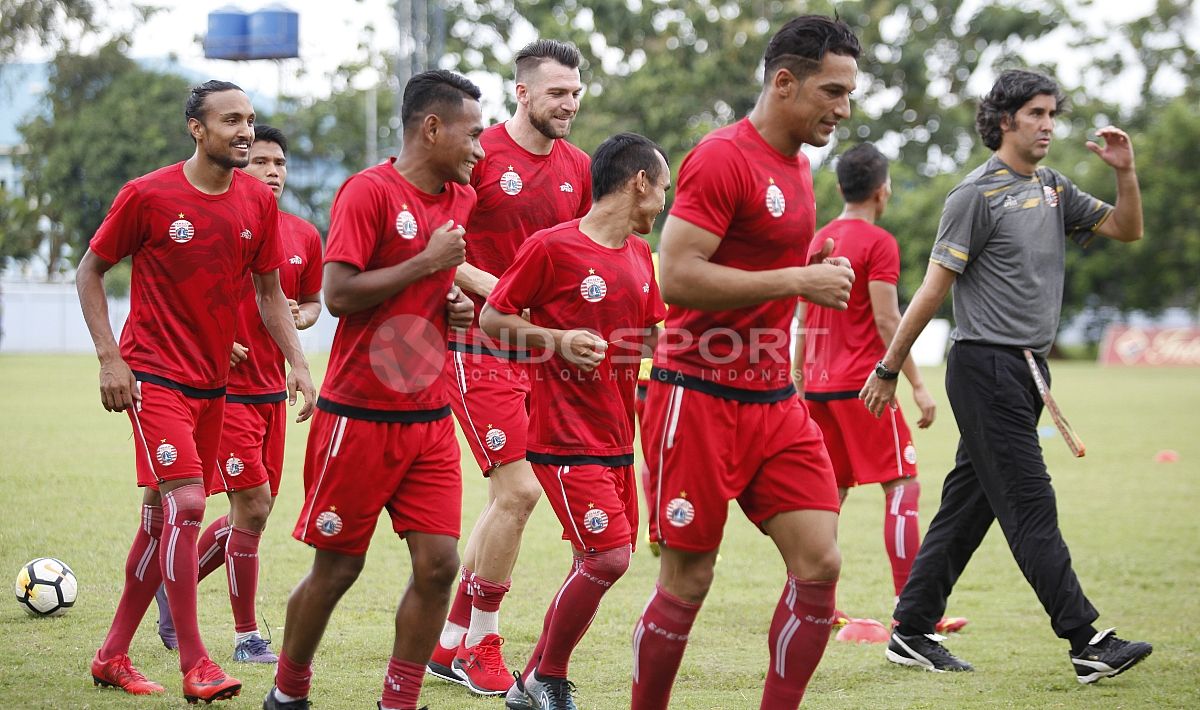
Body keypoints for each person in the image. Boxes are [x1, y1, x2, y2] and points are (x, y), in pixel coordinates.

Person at [860, 69, 1153, 683]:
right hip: (985, 367)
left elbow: (1129, 231)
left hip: (1026, 371)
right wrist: (890, 367)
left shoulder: (1053, 189)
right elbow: (933, 290)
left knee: (967, 509)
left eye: (1052, 114)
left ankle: (911, 631)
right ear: (1003, 121)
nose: (1048, 125)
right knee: (1029, 502)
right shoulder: (975, 195)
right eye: (1036, 114)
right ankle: (1086, 640)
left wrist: (1125, 172)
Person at [630, 16, 859, 710]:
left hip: (772, 398)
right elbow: (677, 277)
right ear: (784, 82)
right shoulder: (722, 157)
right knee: (688, 581)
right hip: (695, 395)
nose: (843, 110)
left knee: (819, 563)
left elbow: (757, 261)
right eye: (832, 91)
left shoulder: (799, 164)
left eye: (849, 94)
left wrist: (805, 265)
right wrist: (796, 281)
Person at [77, 80, 316, 703]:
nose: (244, 131)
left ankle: (111, 656)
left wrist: (300, 365)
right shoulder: (148, 195)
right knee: (187, 504)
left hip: (217, 387)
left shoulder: (255, 206)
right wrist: (110, 359)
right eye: (231, 120)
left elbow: (270, 296)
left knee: (160, 522)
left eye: (250, 120)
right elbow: (91, 271)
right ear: (196, 128)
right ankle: (197, 661)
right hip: (153, 376)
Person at [264, 69, 481, 710]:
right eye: (472, 135)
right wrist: (428, 264)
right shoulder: (368, 192)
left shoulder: (460, 200)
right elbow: (337, 295)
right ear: (432, 128)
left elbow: (429, 290)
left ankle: (399, 701)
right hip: (358, 415)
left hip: (430, 415)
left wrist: (451, 305)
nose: (480, 149)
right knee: (338, 568)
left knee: (440, 566)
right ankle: (288, 693)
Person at [428, 39, 591, 697]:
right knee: (519, 493)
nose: (569, 104)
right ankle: (482, 646)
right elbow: (443, 249)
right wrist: (506, 295)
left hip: (543, 357)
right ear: (521, 92)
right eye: (557, 93)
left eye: (576, 94)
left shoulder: (579, 166)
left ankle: (449, 644)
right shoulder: (481, 156)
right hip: (477, 348)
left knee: (507, 503)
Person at [483, 132, 668, 710]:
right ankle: (548, 679)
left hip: (618, 437)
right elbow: (494, 319)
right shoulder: (551, 247)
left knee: (607, 558)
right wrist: (555, 340)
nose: (663, 203)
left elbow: (654, 340)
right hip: (563, 436)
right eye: (663, 188)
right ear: (639, 182)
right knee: (607, 556)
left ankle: (529, 683)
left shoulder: (639, 256)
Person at [153, 125, 324, 662]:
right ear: (239, 167)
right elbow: (183, 294)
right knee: (254, 503)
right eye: (261, 162)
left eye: (280, 162)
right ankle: (247, 636)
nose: (272, 171)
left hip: (273, 392)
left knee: (256, 512)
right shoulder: (219, 226)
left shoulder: (302, 235)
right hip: (223, 395)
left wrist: (302, 322)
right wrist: (214, 335)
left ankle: (169, 579)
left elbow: (313, 303)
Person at [793, 143, 967, 635]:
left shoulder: (820, 238)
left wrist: (799, 377)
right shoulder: (878, 242)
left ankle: (816, 607)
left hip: (820, 390)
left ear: (841, 187)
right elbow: (889, 317)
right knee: (902, 487)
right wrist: (916, 385)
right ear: (882, 190)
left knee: (831, 494)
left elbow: (803, 318)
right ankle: (916, 611)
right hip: (865, 388)